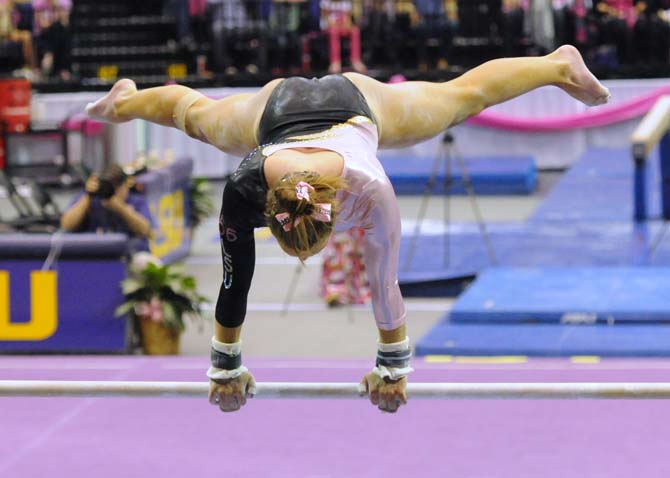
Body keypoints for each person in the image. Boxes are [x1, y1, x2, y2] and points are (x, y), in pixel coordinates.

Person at [85, 44, 610, 413]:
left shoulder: (371, 187)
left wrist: (392, 371)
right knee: (190, 114)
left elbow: (385, 287)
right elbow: (235, 282)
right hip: (292, 112)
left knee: (465, 97)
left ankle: (560, 65)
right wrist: (223, 370)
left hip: (348, 110)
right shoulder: (247, 187)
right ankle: (122, 102)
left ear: (332, 214)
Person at [60, 164, 153, 251]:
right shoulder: (91, 198)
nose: (113, 192)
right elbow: (66, 225)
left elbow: (147, 231)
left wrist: (120, 207)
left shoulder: (136, 200)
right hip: (94, 252)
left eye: (116, 187)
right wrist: (88, 196)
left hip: (131, 252)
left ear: (125, 185)